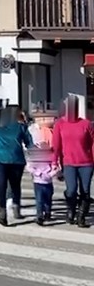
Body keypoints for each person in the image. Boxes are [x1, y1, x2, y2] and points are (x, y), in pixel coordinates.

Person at [52, 96, 94, 227]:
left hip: (86, 163)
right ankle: (71, 210)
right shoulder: (60, 124)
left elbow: (93, 143)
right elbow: (56, 145)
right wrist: (55, 162)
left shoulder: (86, 124)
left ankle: (81, 217)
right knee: (71, 190)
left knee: (85, 191)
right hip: (68, 163)